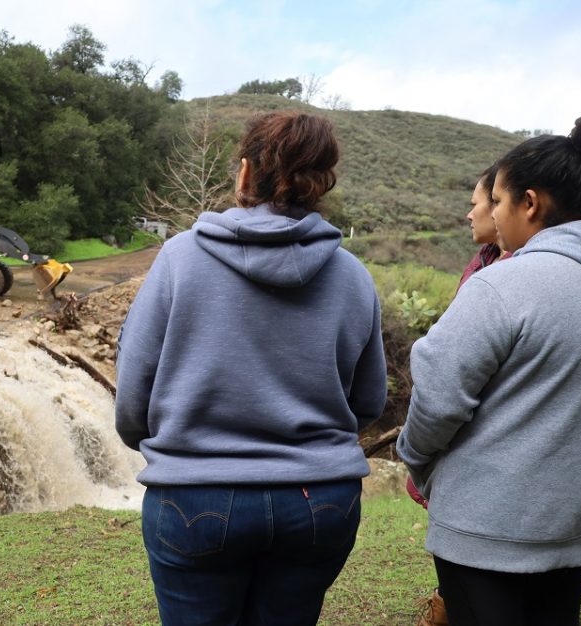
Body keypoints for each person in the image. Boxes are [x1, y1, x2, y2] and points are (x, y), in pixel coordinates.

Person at [115, 111, 387, 626]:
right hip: (319, 501)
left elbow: (134, 389)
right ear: (322, 182)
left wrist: (162, 445)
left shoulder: (179, 258)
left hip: (195, 495)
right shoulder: (353, 276)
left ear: (244, 173)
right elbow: (369, 401)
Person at [397, 109, 581, 626]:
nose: (488, 212)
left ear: (529, 203)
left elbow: (437, 398)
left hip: (488, 530)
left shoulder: (502, 285)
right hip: (578, 527)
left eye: (496, 199)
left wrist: (419, 461)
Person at [406, 164, 512, 626]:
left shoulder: (505, 281)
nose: (469, 213)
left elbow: (447, 391)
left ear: (514, 204)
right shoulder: (484, 264)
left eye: (479, 203)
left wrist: (415, 452)